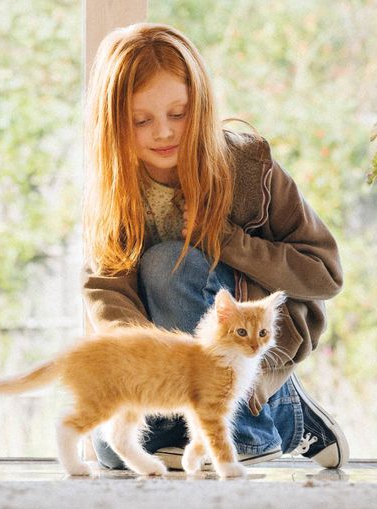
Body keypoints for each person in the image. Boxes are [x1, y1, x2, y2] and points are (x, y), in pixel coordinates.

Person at [80, 22, 348, 471]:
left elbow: (324, 274)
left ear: (200, 106)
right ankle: (255, 417)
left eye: (178, 113)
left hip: (243, 342)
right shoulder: (114, 187)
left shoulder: (248, 167)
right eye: (141, 120)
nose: (163, 133)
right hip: (170, 365)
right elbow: (106, 287)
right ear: (114, 123)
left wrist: (226, 241)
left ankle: (264, 412)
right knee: (111, 449)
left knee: (171, 262)